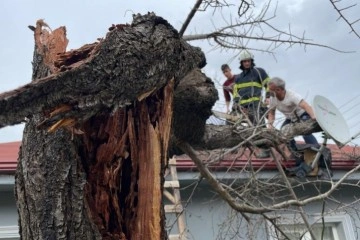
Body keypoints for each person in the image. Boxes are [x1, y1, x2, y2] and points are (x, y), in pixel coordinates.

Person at [232, 49, 271, 158]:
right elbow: (235, 93)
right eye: (244, 61)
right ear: (241, 63)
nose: (247, 63)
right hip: (242, 107)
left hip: (255, 104)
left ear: (251, 61)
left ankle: (265, 149)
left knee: (259, 127)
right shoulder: (238, 78)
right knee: (230, 121)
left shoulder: (259, 72)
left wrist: (268, 97)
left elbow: (269, 84)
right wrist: (235, 104)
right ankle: (232, 146)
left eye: (248, 61)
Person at [267, 77, 319, 153]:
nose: (269, 92)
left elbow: (305, 105)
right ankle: (296, 153)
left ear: (278, 90)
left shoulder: (291, 95)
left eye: (271, 90)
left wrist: (313, 117)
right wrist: (270, 126)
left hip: (302, 115)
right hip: (290, 118)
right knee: (284, 134)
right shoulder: (273, 99)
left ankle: (316, 151)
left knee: (305, 130)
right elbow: (271, 113)